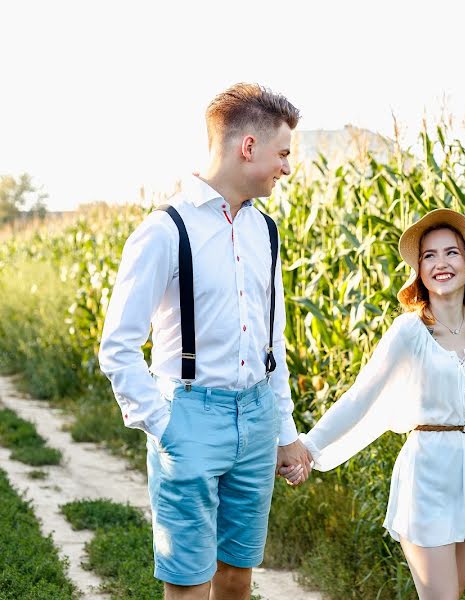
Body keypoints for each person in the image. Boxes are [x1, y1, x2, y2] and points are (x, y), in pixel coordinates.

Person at [99, 83, 311, 600]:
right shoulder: (164, 230)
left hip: (257, 417)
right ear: (248, 147)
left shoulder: (267, 232)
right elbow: (118, 346)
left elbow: (271, 342)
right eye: (282, 153)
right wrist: (165, 425)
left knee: (238, 575)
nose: (286, 167)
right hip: (190, 418)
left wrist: (284, 431)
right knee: (190, 583)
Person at [281, 208, 465, 600]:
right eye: (429, 256)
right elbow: (361, 397)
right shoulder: (408, 332)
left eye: (451, 253)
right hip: (429, 474)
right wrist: (309, 448)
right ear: (419, 270)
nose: (441, 263)